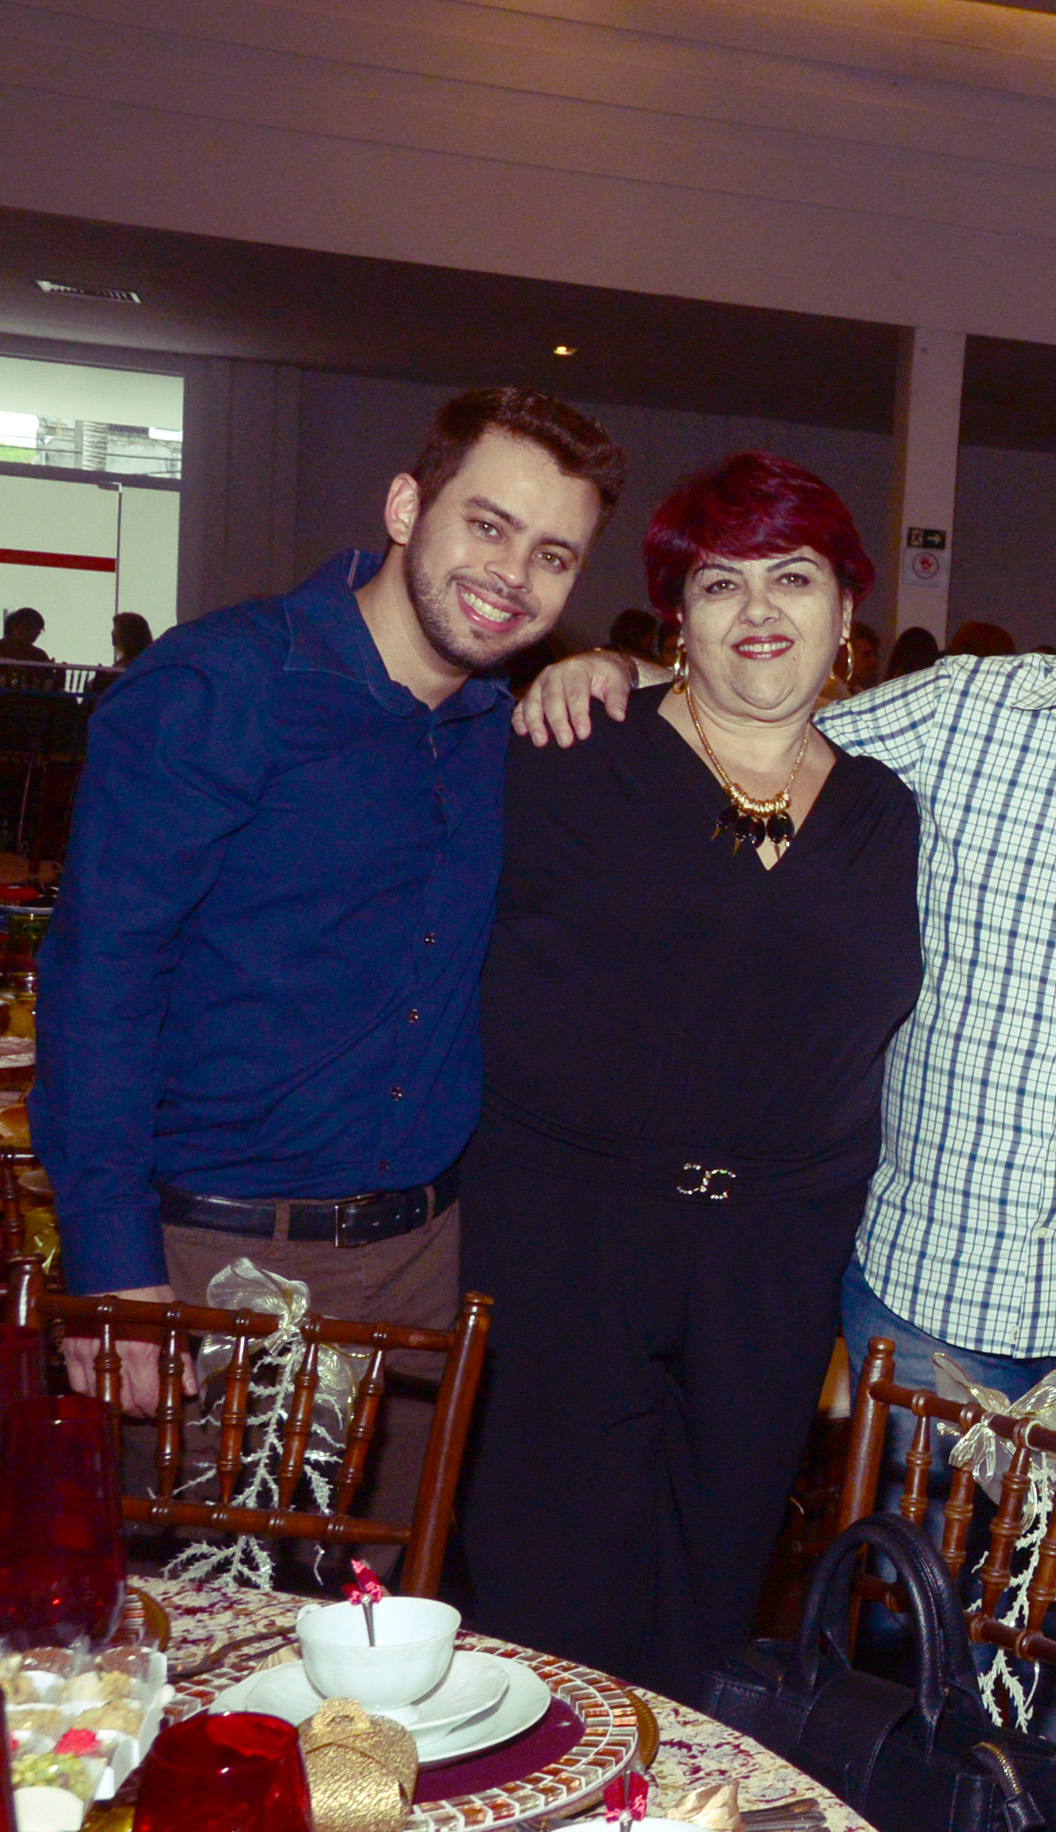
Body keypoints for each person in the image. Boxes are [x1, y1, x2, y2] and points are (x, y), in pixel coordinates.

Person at [517, 472, 1056, 1495]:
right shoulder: (965, 710)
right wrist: (614, 668)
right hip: (925, 1290)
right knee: (903, 1587)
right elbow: (765, 723)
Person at [36, 388, 623, 1563]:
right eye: (489, 525)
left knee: (377, 1633)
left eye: (554, 555)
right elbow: (101, 981)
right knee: (198, 1627)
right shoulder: (221, 686)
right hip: (207, 1262)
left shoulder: (502, 731)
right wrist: (113, 1268)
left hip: (417, 1269)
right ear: (407, 507)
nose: (512, 575)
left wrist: (618, 662)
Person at [456, 454, 919, 1700]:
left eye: (794, 578)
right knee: (543, 1613)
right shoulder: (570, 751)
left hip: (772, 1268)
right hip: (564, 1243)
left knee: (710, 1612)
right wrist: (581, 669)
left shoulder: (886, 813)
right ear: (677, 616)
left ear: (845, 607)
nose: (759, 610)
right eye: (721, 584)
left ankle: (667, 1823)